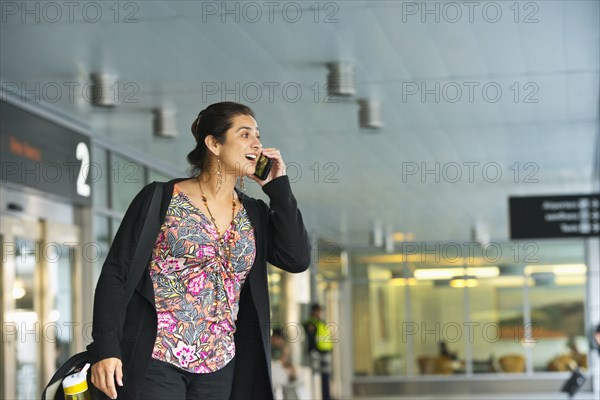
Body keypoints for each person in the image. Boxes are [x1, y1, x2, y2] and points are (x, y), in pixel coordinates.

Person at [87, 102, 310, 400]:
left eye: (258, 135)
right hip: (156, 358)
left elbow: (296, 258)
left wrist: (278, 187)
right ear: (213, 144)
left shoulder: (253, 212)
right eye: (245, 134)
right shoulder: (160, 199)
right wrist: (106, 348)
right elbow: (117, 273)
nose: (257, 143)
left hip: (221, 364)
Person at [303, 304, 333, 400]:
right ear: (313, 311)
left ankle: (326, 396)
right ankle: (321, 397)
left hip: (325, 353)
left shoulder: (321, 322)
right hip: (317, 354)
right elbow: (311, 339)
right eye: (317, 311)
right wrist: (313, 351)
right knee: (318, 377)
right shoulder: (310, 323)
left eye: (320, 311)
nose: (319, 313)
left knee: (325, 377)